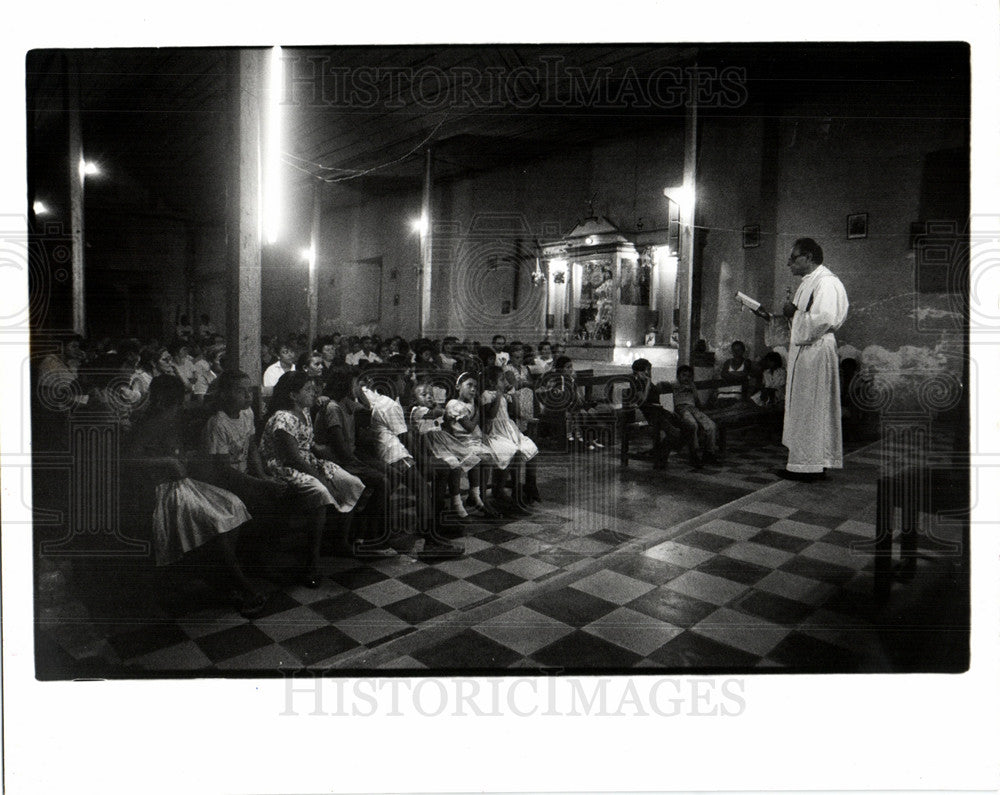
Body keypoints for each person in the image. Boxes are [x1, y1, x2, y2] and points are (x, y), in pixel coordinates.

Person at [130, 374, 267, 617]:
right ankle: (238, 583)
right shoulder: (153, 422)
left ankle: (223, 575)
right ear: (165, 400)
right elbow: (132, 458)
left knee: (233, 505)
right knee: (216, 521)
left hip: (184, 483)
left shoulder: (176, 418)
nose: (181, 406)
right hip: (164, 490)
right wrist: (168, 461)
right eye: (177, 401)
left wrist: (185, 456)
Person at [258, 371, 369, 585]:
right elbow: (293, 458)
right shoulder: (283, 418)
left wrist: (337, 459)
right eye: (308, 389)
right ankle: (311, 562)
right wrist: (323, 479)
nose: (314, 393)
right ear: (292, 395)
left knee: (353, 482)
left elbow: (309, 447)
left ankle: (341, 541)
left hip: (306, 461)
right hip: (284, 467)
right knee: (320, 492)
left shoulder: (304, 410)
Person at [761, 238, 849, 480]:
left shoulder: (826, 282)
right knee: (806, 409)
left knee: (812, 408)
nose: (789, 263)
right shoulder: (808, 282)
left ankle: (810, 465)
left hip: (816, 351)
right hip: (806, 351)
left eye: (794, 257)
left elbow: (824, 319)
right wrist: (786, 316)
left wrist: (795, 313)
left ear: (808, 257)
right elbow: (803, 318)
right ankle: (805, 463)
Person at [631, 358, 682, 469]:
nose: (649, 373)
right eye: (647, 370)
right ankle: (660, 457)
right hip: (652, 414)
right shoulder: (636, 384)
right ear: (640, 371)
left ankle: (658, 452)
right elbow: (642, 401)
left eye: (650, 369)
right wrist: (648, 383)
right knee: (674, 433)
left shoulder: (646, 382)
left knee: (683, 425)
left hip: (659, 411)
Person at [672, 364, 719, 467]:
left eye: (689, 376)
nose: (686, 378)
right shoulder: (675, 385)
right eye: (683, 375)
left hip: (694, 409)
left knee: (711, 425)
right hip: (682, 410)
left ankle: (709, 453)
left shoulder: (692, 385)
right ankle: (694, 454)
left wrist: (702, 410)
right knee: (692, 425)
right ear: (678, 376)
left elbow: (696, 400)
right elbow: (662, 385)